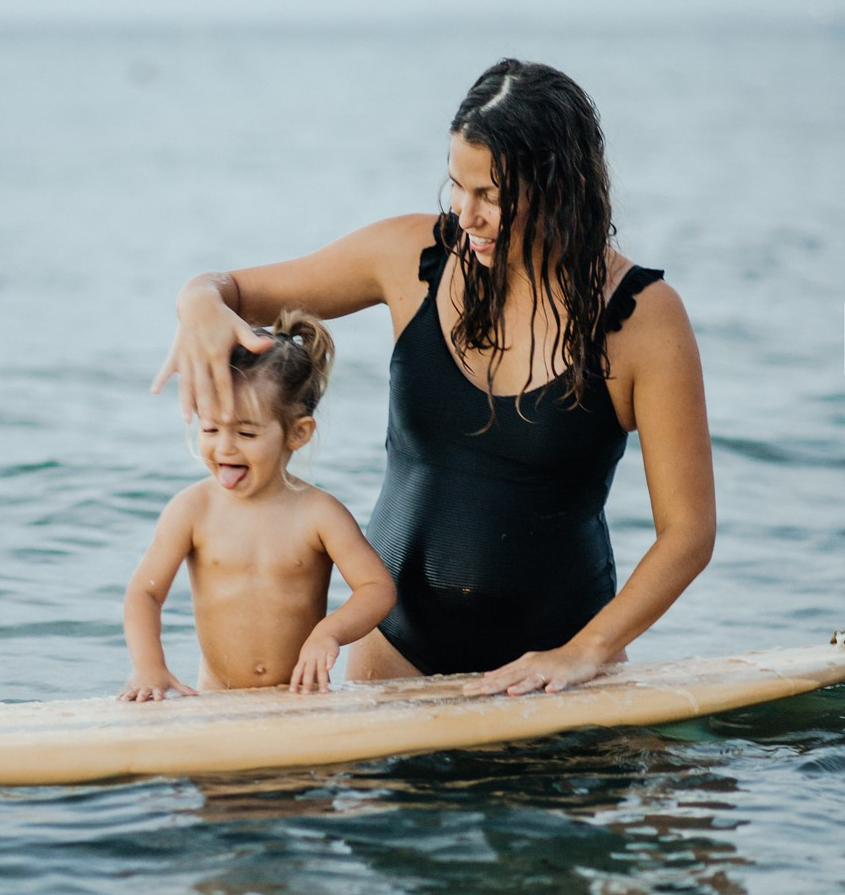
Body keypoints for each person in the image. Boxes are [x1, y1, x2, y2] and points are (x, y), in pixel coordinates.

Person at [152, 58, 715, 697]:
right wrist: (198, 299)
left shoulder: (642, 317)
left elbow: (688, 531)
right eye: (457, 186)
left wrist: (585, 651)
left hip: (560, 675)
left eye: (491, 196)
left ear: (560, 188)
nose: (466, 214)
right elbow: (232, 290)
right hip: (396, 654)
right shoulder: (411, 257)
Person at [120, 309, 397, 698]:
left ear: (297, 433)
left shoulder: (318, 513)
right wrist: (150, 668)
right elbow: (143, 594)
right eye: (211, 429)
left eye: (246, 432)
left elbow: (376, 587)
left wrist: (329, 633)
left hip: (302, 699)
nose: (225, 446)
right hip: (218, 697)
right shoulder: (192, 510)